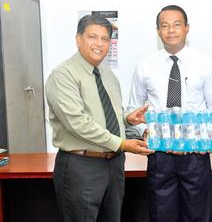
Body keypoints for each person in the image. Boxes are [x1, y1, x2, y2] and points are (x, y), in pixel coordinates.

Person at [45, 15, 153, 222]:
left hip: (113, 165)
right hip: (81, 166)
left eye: (105, 39)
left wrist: (127, 118)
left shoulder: (108, 75)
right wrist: (122, 143)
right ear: (78, 39)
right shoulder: (63, 75)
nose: (99, 44)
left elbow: (107, 114)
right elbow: (77, 122)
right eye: (93, 37)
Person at [128, 5, 212, 222]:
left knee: (198, 215)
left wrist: (206, 141)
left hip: (195, 155)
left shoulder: (206, 64)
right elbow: (134, 109)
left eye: (176, 24)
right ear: (158, 31)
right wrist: (145, 132)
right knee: (161, 215)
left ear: (187, 28)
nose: (171, 30)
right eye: (165, 25)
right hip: (160, 155)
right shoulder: (145, 65)